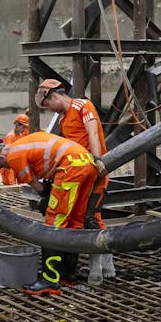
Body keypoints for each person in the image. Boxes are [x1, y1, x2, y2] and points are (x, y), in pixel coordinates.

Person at [0, 131, 97, 296]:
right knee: (73, 223)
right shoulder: (22, 145)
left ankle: (49, 280)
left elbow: (40, 188)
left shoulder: (13, 157)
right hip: (87, 162)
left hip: (69, 168)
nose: (3, 168)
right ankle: (67, 275)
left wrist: (46, 197)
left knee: (53, 224)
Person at [36, 78, 115, 286]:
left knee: (91, 217)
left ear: (53, 96)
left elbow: (93, 133)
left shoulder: (82, 105)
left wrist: (97, 161)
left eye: (48, 105)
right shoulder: (63, 120)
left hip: (94, 172)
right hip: (79, 174)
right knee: (80, 219)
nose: (49, 110)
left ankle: (100, 264)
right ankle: (102, 262)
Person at [0, 114, 29, 185]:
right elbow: (7, 155)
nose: (24, 129)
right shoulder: (10, 136)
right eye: (23, 126)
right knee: (11, 187)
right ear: (17, 124)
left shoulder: (21, 135)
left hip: (16, 165)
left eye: (25, 127)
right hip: (9, 167)